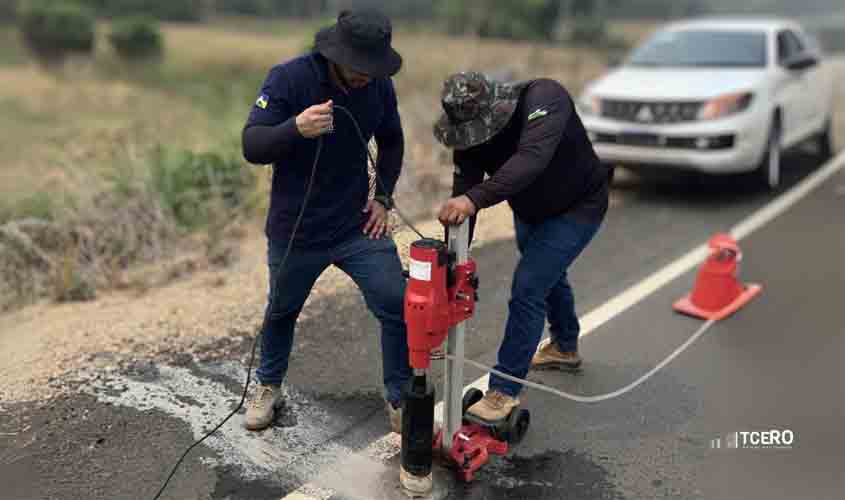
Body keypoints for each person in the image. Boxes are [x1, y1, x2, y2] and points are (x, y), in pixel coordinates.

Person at [241, 9, 410, 432]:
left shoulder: (379, 86)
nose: (366, 78)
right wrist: (295, 128)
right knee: (281, 311)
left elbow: (392, 142)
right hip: (296, 229)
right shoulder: (288, 79)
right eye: (359, 69)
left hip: (356, 226)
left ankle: (400, 396)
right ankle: (268, 386)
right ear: (335, 54)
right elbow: (252, 144)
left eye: (374, 69)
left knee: (397, 303)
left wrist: (384, 199)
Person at [433, 72, 610, 424]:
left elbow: (531, 159)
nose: (477, 139)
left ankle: (503, 392)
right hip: (530, 211)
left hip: (579, 206)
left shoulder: (546, 98)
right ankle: (565, 346)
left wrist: (474, 199)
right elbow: (464, 193)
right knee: (547, 274)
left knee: (529, 286)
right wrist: (451, 263)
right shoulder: (467, 131)